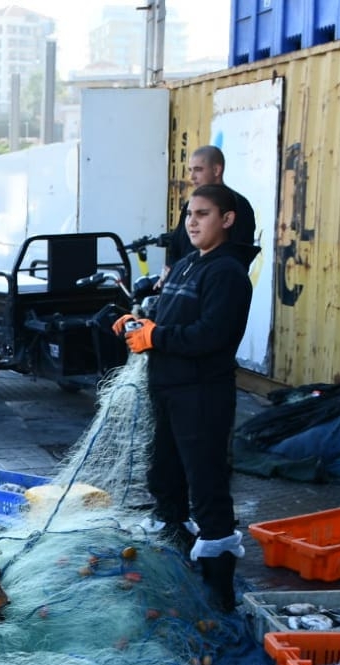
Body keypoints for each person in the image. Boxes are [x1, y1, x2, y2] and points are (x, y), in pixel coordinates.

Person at [116, 184, 256, 612]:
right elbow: (168, 318)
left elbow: (212, 337)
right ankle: (176, 564)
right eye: (189, 215)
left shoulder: (227, 273)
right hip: (169, 391)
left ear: (226, 220)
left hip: (202, 397)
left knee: (208, 488)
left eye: (203, 214)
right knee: (166, 480)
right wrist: (136, 323)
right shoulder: (188, 264)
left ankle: (220, 592)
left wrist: (157, 336)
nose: (192, 222)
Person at [164, 147, 257, 267]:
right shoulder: (190, 204)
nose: (191, 177)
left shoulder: (239, 205)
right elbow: (176, 244)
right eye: (190, 170)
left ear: (216, 170)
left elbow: (239, 252)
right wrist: (170, 271)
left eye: (198, 170)